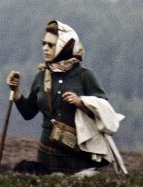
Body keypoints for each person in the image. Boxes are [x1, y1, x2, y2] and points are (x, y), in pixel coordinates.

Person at [7, 20, 109, 174]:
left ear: (65, 46)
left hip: (79, 157)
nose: (45, 48)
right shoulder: (41, 76)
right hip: (46, 157)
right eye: (44, 44)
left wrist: (81, 102)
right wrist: (16, 91)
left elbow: (104, 111)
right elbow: (28, 113)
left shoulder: (84, 76)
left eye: (51, 45)